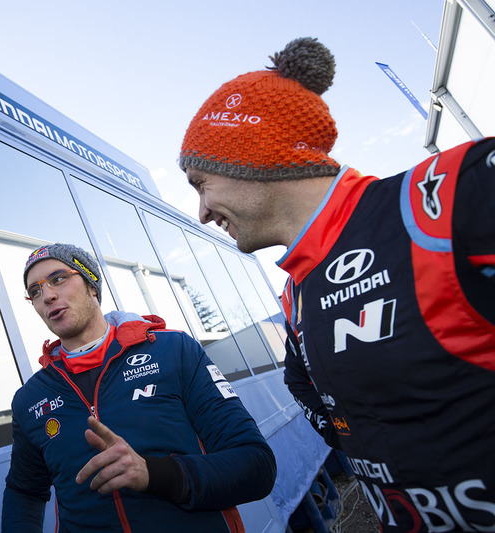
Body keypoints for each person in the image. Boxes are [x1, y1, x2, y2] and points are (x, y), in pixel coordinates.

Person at [179, 36, 495, 532]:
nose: (200, 212)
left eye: (200, 183)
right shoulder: (297, 291)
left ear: (253, 156)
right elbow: (319, 400)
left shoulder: (447, 198)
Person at [1, 243, 276, 532]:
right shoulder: (30, 399)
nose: (47, 296)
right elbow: (25, 492)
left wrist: (153, 474)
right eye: (35, 291)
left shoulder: (173, 350)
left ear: (92, 286)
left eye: (58, 278)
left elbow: (256, 465)